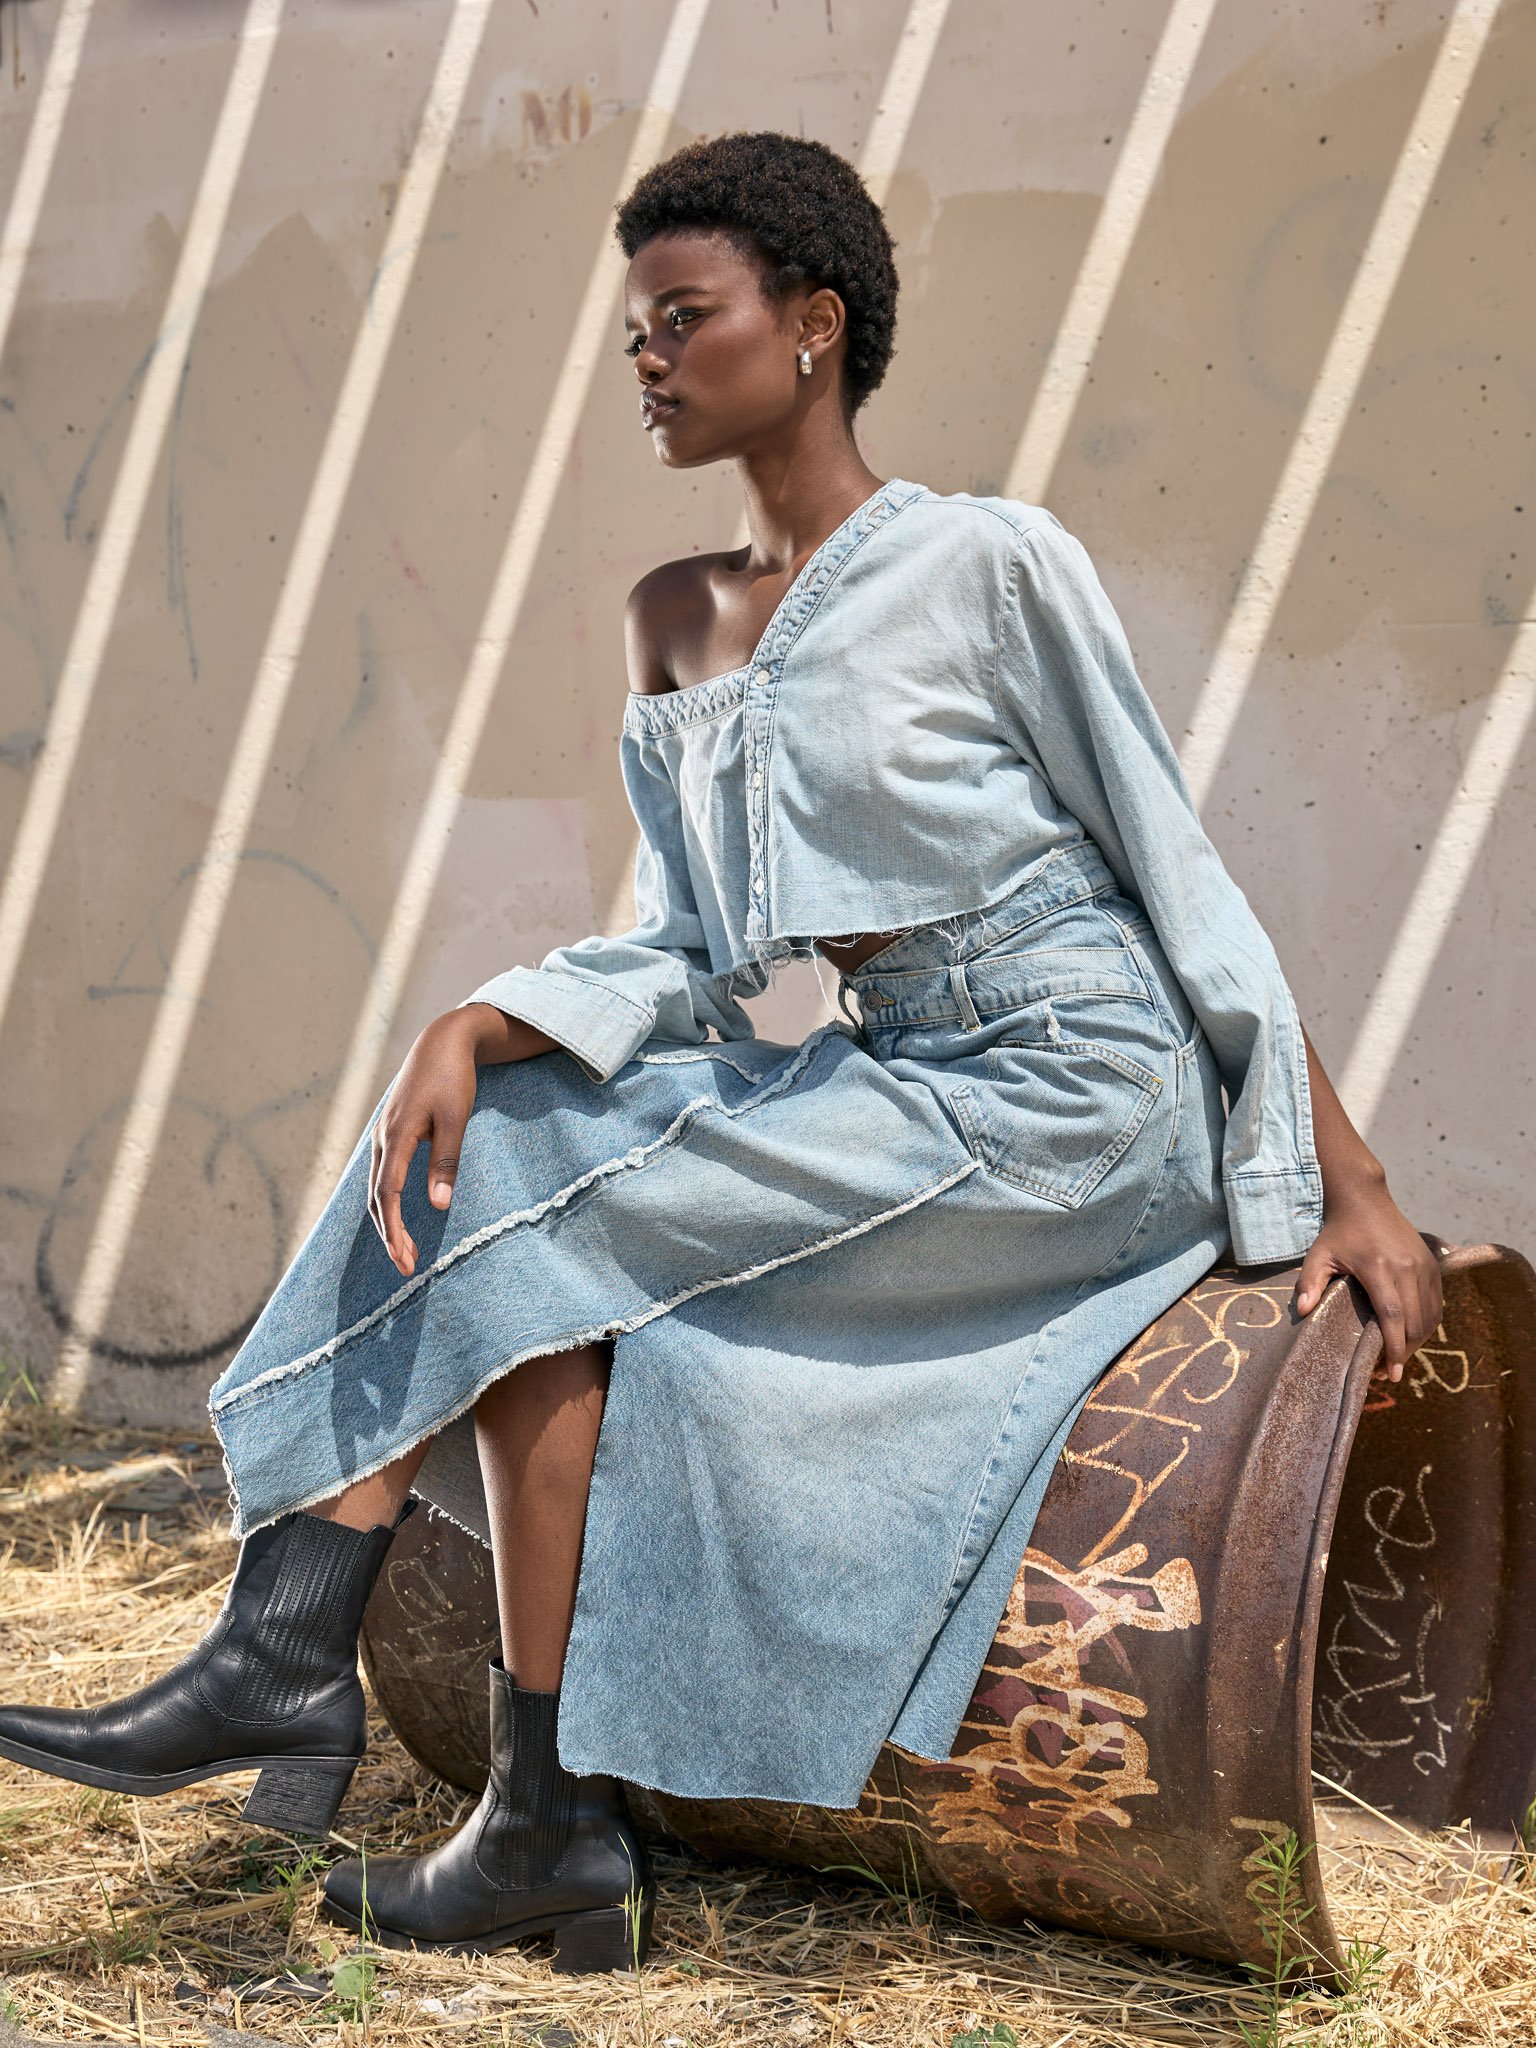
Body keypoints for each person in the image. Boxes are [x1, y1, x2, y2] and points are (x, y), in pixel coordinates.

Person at [0, 132, 1442, 1976]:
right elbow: (697, 955)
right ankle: (532, 1819)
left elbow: (1182, 873)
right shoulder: (674, 621)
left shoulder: (988, 564)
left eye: (688, 320)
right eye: (636, 334)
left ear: (816, 327)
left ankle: (294, 1655)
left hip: (1074, 1089)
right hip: (889, 1075)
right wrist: (477, 1019)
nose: (651, 363)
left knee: (541, 1201)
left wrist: (1359, 1178)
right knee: (516, 1138)